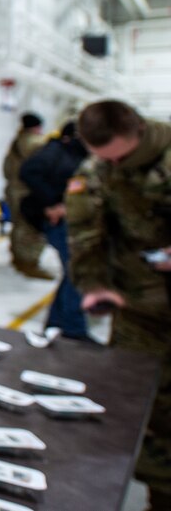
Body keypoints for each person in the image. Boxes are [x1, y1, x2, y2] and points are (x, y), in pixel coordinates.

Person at [67, 100, 171, 509]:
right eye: (104, 158)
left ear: (140, 133)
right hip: (139, 306)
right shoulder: (97, 172)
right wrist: (93, 285)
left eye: (124, 157)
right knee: (142, 404)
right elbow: (85, 233)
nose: (117, 166)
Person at [18, 122, 90, 341]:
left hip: (72, 217)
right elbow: (28, 172)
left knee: (73, 271)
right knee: (76, 271)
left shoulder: (79, 156)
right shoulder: (55, 152)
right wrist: (51, 203)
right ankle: (72, 328)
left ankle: (59, 324)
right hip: (57, 219)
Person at [2, 112, 53, 279]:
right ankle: (29, 263)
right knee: (30, 228)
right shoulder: (38, 144)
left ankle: (18, 258)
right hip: (28, 192)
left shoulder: (16, 142)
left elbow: (6, 168)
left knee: (18, 226)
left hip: (13, 190)